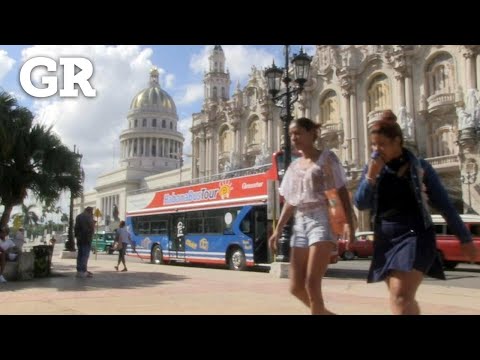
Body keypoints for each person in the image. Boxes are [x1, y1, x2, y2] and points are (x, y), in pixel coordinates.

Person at [354, 109, 478, 315]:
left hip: (415, 233)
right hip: (385, 236)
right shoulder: (373, 168)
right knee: (401, 298)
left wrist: (465, 238)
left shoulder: (421, 168)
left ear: (397, 141)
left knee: (400, 294)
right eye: (373, 145)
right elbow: (361, 204)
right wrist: (370, 178)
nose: (377, 150)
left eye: (382, 144)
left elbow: (445, 205)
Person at [268, 117, 356, 315]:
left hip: (322, 218)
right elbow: (291, 201)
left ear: (311, 133)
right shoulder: (294, 166)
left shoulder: (327, 158)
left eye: (298, 133)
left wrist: (348, 222)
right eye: (291, 134)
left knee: (312, 283)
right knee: (295, 287)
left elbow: (339, 191)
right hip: (301, 222)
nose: (293, 138)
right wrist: (278, 229)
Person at [74, 206, 95, 278]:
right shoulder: (89, 217)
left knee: (80, 255)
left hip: (79, 239)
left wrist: (77, 236)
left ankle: (79, 271)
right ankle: (83, 271)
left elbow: (76, 228)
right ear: (90, 211)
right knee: (85, 255)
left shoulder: (78, 217)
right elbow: (91, 227)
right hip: (86, 238)